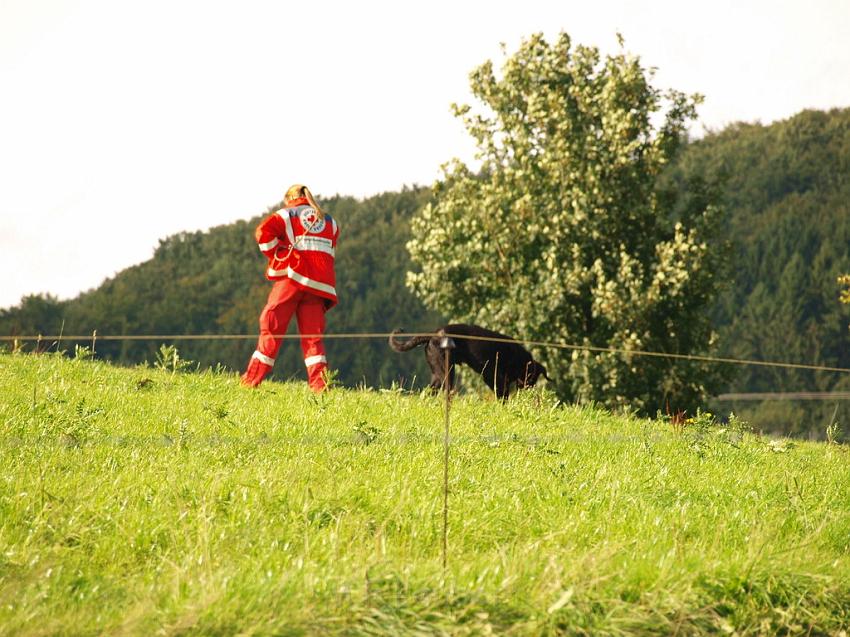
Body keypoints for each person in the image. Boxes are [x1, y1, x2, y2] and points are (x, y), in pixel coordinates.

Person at [241, 184, 339, 391]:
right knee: (313, 338)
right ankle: (320, 387)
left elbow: (262, 234)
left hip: (292, 278)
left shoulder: (286, 214)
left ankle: (251, 381)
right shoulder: (330, 221)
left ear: (290, 198)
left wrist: (278, 253)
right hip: (319, 285)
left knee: (271, 325)